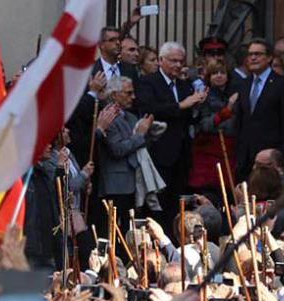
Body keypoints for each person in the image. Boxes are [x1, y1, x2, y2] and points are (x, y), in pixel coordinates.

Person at [136, 41, 207, 235]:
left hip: (181, 154)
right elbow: (150, 109)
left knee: (177, 203)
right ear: (161, 60)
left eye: (180, 61)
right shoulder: (148, 82)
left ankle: (176, 240)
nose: (177, 65)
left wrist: (196, 106)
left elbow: (192, 118)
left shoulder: (184, 86)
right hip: (159, 152)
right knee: (158, 203)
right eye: (172, 61)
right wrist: (181, 106)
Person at [233, 38, 284, 181]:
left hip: (271, 156)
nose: (253, 58)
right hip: (246, 157)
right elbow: (241, 120)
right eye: (250, 54)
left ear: (269, 58)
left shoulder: (282, 84)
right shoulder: (244, 84)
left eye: (258, 54)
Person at [97, 76, 152, 232]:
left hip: (133, 181)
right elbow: (117, 150)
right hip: (115, 184)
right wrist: (140, 135)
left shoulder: (131, 116)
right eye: (128, 93)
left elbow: (139, 144)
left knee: (131, 227)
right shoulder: (108, 118)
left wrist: (149, 132)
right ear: (114, 95)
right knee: (114, 230)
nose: (133, 97)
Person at [188, 60, 238, 193]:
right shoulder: (204, 96)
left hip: (230, 150)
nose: (219, 76)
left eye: (223, 72)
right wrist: (226, 110)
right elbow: (204, 125)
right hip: (209, 151)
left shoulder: (236, 94)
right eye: (215, 73)